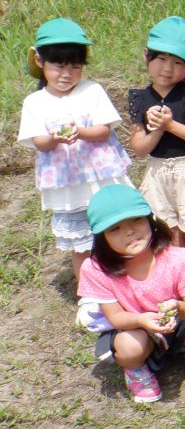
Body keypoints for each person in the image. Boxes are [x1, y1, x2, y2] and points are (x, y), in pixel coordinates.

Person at [77, 184, 185, 403]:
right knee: (128, 347)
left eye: (136, 220)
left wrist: (179, 307)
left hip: (180, 323)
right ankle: (136, 370)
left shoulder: (177, 257)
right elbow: (116, 317)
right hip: (138, 330)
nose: (129, 232)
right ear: (102, 238)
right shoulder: (96, 269)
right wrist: (141, 319)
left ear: (151, 220)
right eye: (115, 229)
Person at [17, 18, 132, 280]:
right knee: (81, 244)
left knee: (118, 228)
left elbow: (104, 130)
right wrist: (54, 139)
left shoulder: (92, 91)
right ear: (40, 61)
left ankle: (128, 282)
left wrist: (81, 132)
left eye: (75, 67)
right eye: (59, 66)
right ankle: (90, 294)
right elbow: (38, 142)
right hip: (68, 184)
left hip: (103, 177)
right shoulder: (34, 102)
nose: (67, 74)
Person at [128, 17, 185, 292]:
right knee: (171, 244)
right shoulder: (140, 99)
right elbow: (140, 149)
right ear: (147, 56)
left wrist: (170, 124)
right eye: (161, 59)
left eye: (178, 62)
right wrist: (155, 128)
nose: (168, 68)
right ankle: (179, 298)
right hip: (156, 174)